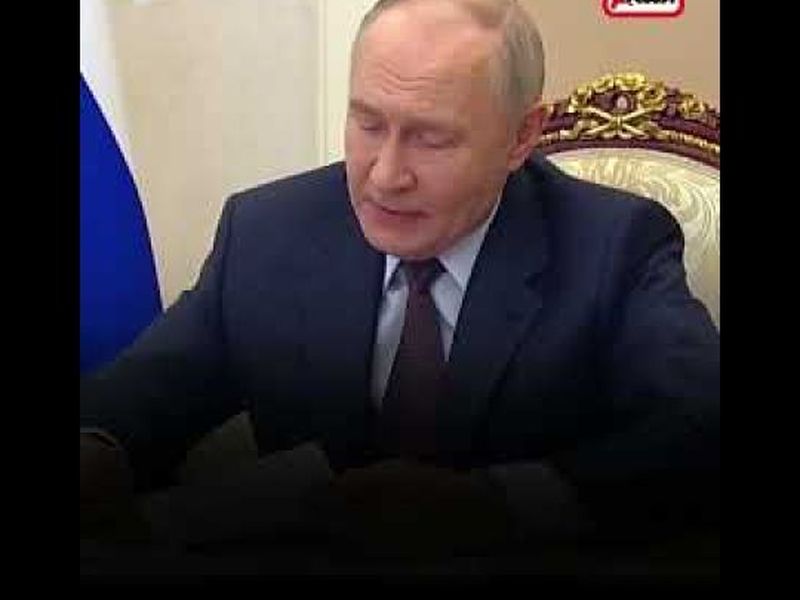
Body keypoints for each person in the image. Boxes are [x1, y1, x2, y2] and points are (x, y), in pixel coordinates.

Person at [81, 0, 719, 560]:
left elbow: (699, 429)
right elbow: (137, 398)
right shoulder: (267, 232)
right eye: (368, 123)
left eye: (431, 139)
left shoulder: (613, 246)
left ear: (521, 136)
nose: (386, 176)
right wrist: (100, 448)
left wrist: (492, 505)